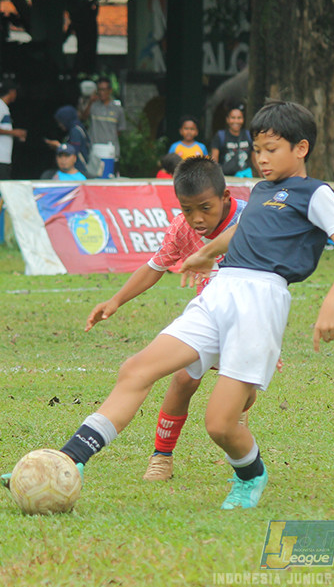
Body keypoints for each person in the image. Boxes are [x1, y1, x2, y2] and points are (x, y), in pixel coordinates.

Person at [5, 100, 334, 511]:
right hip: (220, 292)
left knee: (220, 424)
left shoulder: (316, 193)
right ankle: (70, 460)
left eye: (271, 150)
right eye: (257, 150)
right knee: (136, 369)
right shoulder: (261, 191)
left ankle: (251, 473)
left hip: (261, 300)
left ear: (301, 149)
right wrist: (205, 253)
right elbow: (242, 232)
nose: (261, 159)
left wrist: (332, 303)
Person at [84, 155, 248, 481]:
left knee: (240, 388)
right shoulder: (182, 229)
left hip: (248, 317)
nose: (196, 218)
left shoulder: (251, 219)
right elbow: (155, 267)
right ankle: (162, 456)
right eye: (187, 210)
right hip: (208, 314)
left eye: (205, 208)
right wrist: (116, 301)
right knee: (184, 379)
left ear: (225, 197)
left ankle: (238, 429)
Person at [80, 77, 127, 176]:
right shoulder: (93, 106)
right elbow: (83, 117)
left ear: (110, 91)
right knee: (93, 177)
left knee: (110, 177)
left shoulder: (118, 109)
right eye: (99, 90)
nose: (102, 93)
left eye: (104, 89)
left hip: (111, 150)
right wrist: (90, 102)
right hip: (94, 150)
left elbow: (119, 131)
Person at [0, 80, 27, 181]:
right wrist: (14, 132)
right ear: (11, 92)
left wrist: (16, 134)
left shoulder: (3, 106)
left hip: (2, 157)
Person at [45, 106, 91, 176]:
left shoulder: (75, 131)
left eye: (60, 122)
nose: (60, 125)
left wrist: (59, 146)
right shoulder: (75, 129)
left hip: (78, 170)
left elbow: (72, 151)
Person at [210, 104, 253, 177]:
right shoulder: (221, 136)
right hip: (226, 177)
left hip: (245, 177)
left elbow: (255, 159)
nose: (236, 121)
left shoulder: (248, 135)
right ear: (227, 119)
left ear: (243, 119)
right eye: (233, 118)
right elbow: (214, 160)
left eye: (239, 118)